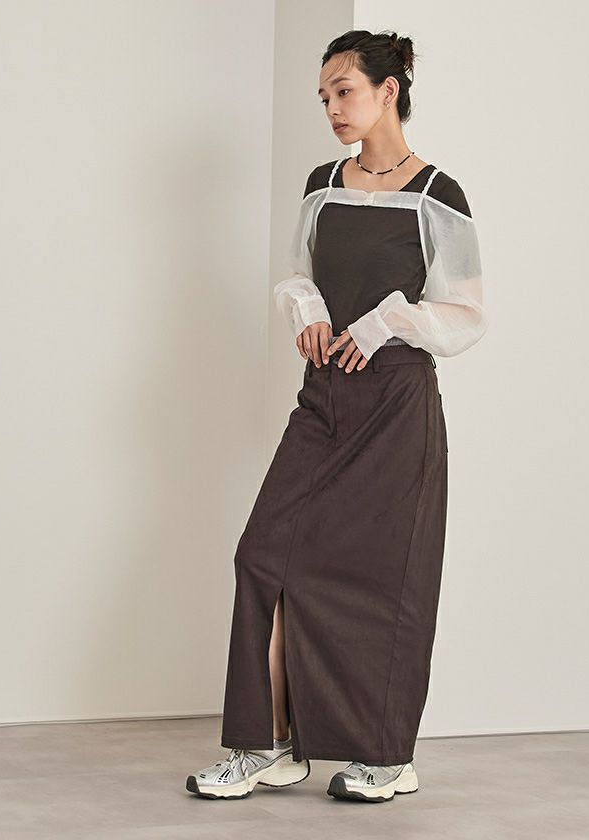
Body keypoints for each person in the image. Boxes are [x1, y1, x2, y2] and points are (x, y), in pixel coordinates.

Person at [186, 28, 487, 804]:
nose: (332, 108)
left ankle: (386, 755)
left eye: (343, 91)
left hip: (396, 408)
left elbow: (466, 313)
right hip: (323, 398)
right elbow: (297, 275)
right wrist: (309, 311)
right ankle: (268, 744)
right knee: (263, 555)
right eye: (324, 96)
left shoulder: (437, 193)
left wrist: (389, 320)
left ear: (388, 91)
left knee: (387, 578)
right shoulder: (323, 183)